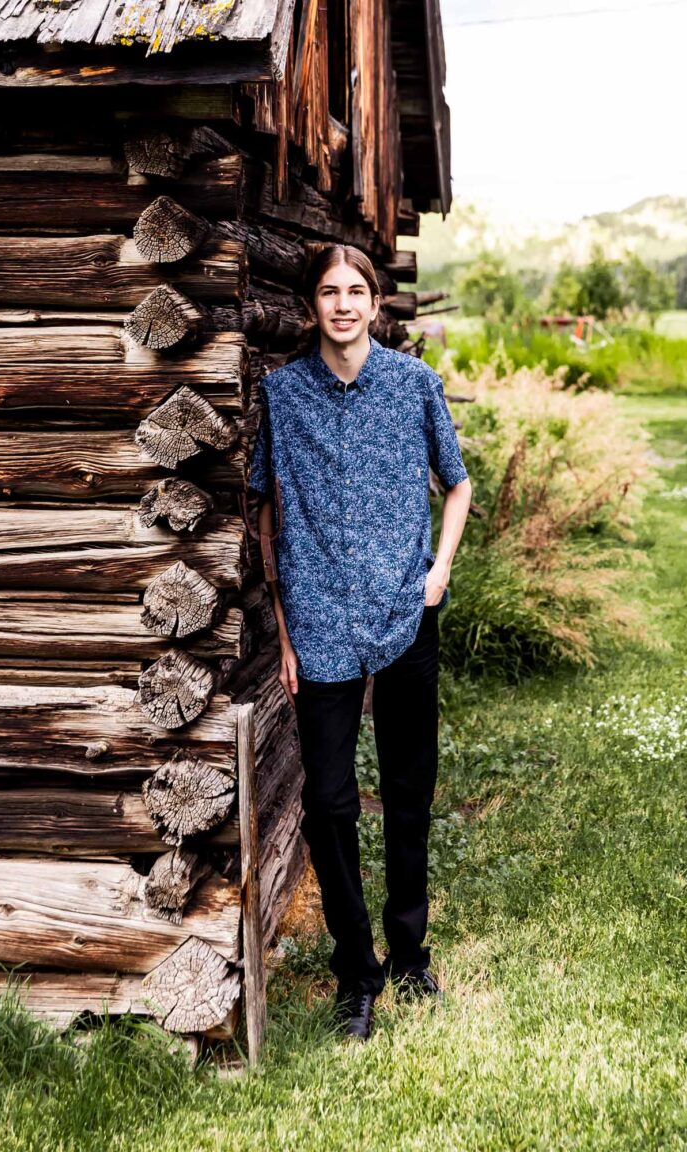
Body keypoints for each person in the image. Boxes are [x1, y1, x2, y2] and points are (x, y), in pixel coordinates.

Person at [249, 244, 472, 1041]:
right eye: (328, 292)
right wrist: (281, 627)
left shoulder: (414, 386)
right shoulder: (281, 396)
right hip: (318, 625)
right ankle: (357, 974)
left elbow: (458, 480)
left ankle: (410, 954)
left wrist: (438, 571)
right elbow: (264, 510)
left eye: (356, 291)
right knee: (330, 804)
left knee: (409, 790)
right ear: (311, 306)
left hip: (405, 614)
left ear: (376, 304)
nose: (342, 305)